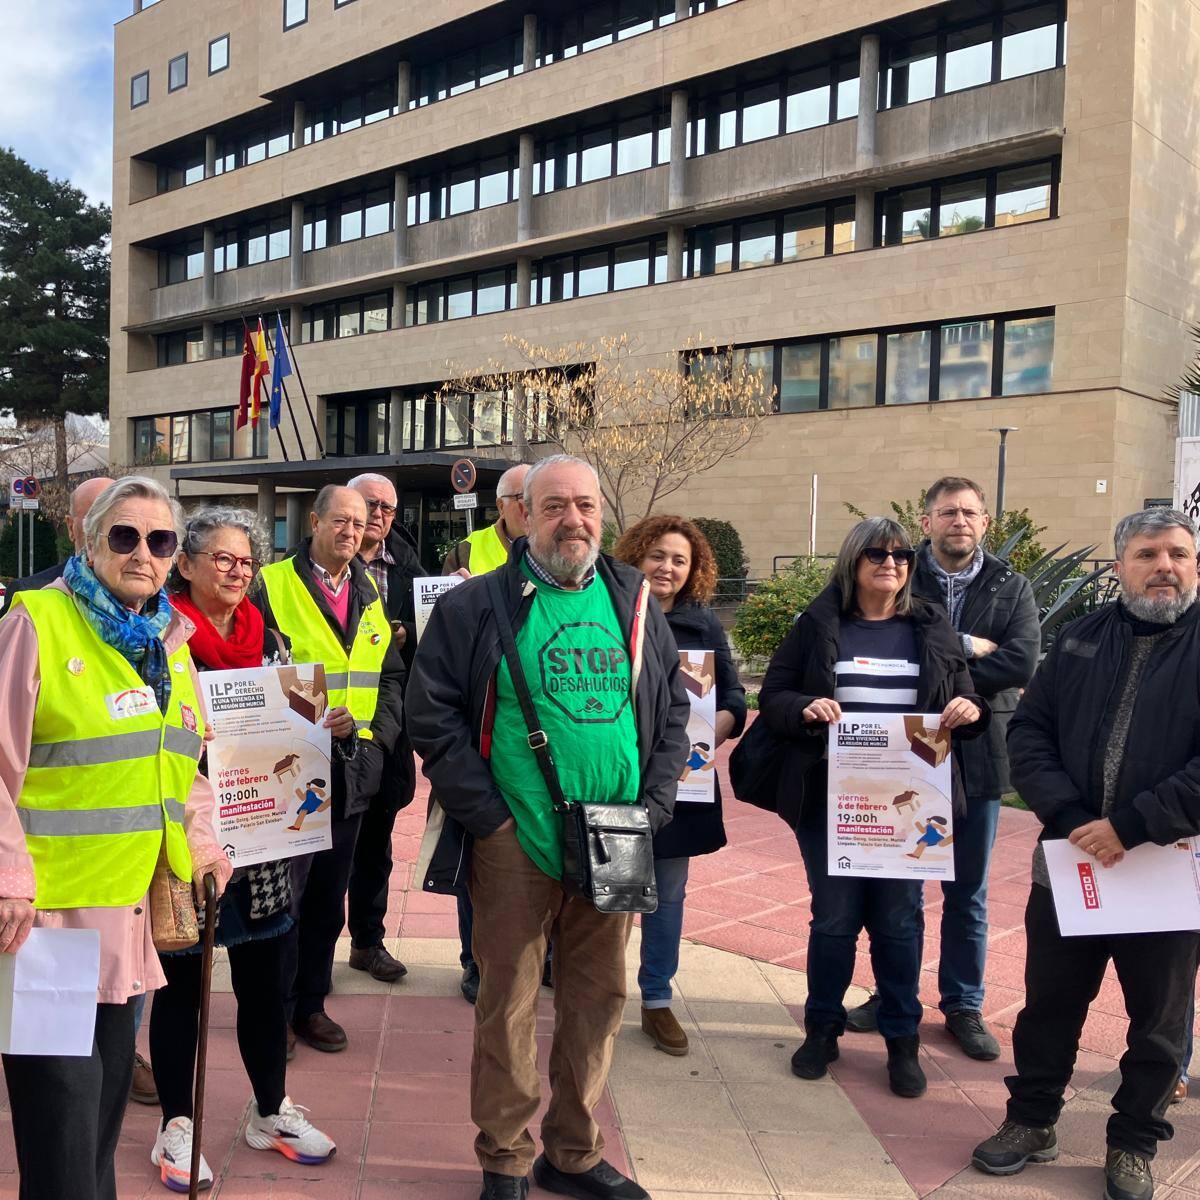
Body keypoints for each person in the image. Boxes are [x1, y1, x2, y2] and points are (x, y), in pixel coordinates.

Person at [407, 454, 690, 1200]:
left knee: (599, 1002)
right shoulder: (477, 605)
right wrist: (491, 820)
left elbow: (672, 711)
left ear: (604, 514)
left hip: (619, 835)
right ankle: (504, 1157)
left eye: (587, 506)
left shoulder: (632, 598)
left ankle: (572, 1153)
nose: (574, 520)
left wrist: (654, 805)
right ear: (523, 516)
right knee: (507, 1006)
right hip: (517, 844)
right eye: (556, 505)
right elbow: (429, 714)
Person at [0, 475, 232, 1200]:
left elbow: (183, 764)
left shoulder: (171, 640)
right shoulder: (36, 621)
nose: (143, 553)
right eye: (124, 536)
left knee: (98, 1130)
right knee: (62, 1136)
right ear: (88, 540)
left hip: (126, 923)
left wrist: (206, 848)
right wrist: (7, 877)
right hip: (48, 928)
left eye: (159, 541)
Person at [971, 508, 1200, 1200]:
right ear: (1120, 565)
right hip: (1071, 864)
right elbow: (1029, 733)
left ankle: (1132, 1143)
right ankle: (1032, 1119)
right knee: (1049, 1006)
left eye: (1180, 554)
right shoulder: (1077, 639)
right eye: (1148, 553)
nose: (1165, 566)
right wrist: (1073, 819)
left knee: (1159, 1021)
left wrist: (1130, 825)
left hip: (1165, 867)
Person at [759, 518, 987, 1099]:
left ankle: (901, 1039)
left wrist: (968, 710)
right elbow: (774, 695)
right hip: (833, 800)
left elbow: (967, 695)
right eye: (878, 554)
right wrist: (807, 706)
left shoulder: (930, 626)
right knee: (833, 920)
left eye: (902, 555)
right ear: (854, 561)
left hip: (908, 806)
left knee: (899, 923)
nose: (891, 563)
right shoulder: (818, 624)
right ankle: (822, 1028)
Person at [148, 507, 335, 1192]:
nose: (236, 571)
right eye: (221, 559)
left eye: (245, 562)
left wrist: (324, 724)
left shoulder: (270, 638)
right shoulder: (159, 638)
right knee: (180, 991)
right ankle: (176, 1125)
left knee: (265, 981)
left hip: (261, 838)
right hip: (185, 840)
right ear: (187, 565)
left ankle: (269, 1109)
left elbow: (289, 733)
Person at [847, 477, 1038, 1060]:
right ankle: (893, 994)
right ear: (926, 521)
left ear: (985, 524)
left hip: (978, 754)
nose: (959, 520)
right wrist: (968, 648)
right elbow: (888, 645)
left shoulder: (1013, 586)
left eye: (970, 513)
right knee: (899, 887)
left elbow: (1021, 660)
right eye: (947, 511)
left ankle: (963, 1004)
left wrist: (948, 671)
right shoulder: (901, 570)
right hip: (902, 757)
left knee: (967, 891)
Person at [252, 485, 405, 1054]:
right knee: (283, 901)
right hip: (291, 769)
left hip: (353, 769)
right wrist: (314, 720)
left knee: (327, 901)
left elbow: (389, 676)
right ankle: (277, 1010)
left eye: (359, 522)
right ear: (313, 520)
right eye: (339, 519)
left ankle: (311, 1006)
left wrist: (376, 740)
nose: (351, 530)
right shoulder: (271, 584)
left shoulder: (370, 591)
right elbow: (254, 671)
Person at [613, 515, 746, 1057]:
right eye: (658, 556)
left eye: (679, 560)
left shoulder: (704, 627)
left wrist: (714, 728)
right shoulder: (609, 611)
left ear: (693, 571)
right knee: (613, 892)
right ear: (637, 556)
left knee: (667, 897)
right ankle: (597, 992)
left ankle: (657, 1000)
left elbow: (735, 698)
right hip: (616, 779)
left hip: (680, 784)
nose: (667, 567)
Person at [440, 462, 530, 1005]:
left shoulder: (565, 555)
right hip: (481, 725)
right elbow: (438, 623)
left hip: (538, 733)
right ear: (502, 504)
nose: (531, 508)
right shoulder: (468, 551)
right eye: (523, 498)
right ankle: (474, 960)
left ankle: (538, 958)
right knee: (479, 852)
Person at [345, 472, 422, 984]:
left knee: (377, 841)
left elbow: (439, 631)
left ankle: (367, 943)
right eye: (369, 504)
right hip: (329, 730)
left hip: (389, 726)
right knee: (322, 849)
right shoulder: (322, 564)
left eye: (388, 508)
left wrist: (406, 634)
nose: (378, 514)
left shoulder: (410, 567)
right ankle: (308, 965)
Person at [0, 474, 115, 619]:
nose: (108, 532)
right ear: (71, 527)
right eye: (95, 521)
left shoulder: (147, 595)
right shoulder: (28, 594)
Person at [441, 463, 530, 576]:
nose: (534, 505)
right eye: (523, 497)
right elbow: (446, 593)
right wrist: (470, 591)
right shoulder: (467, 551)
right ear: (501, 507)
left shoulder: (557, 544)